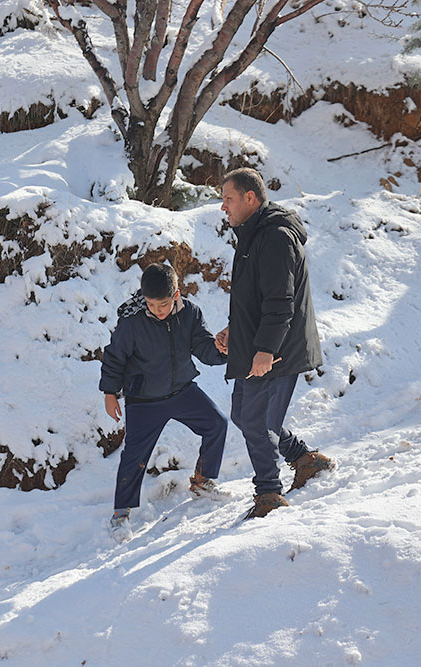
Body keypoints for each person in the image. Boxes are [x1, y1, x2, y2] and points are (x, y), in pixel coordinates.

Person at [215, 167, 334, 519]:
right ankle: (304, 458)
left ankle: (269, 494)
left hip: (279, 349)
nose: (224, 207)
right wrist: (234, 329)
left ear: (250, 198)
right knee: (244, 415)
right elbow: (257, 296)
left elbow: (281, 302)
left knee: (256, 421)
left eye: (228, 199)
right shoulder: (254, 234)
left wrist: (266, 350)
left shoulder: (276, 237)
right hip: (260, 344)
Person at [100, 263, 230, 541]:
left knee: (217, 424)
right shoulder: (132, 321)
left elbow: (204, 348)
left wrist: (222, 350)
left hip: (182, 391)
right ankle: (120, 514)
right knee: (134, 456)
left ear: (176, 295)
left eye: (163, 304)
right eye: (151, 304)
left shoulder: (190, 313)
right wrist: (110, 393)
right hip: (144, 399)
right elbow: (114, 357)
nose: (157, 310)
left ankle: (203, 481)